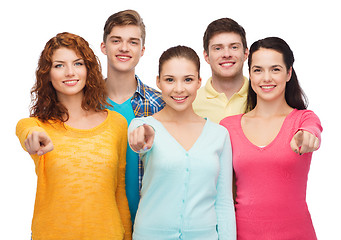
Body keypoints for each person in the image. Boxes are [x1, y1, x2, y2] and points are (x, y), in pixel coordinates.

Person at [16, 32, 131, 240]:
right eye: (59, 65)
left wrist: (128, 235)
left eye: (77, 63)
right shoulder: (37, 126)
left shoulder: (116, 124)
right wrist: (33, 137)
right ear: (48, 74)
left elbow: (119, 191)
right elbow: (25, 130)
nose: (70, 72)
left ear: (88, 69)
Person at [128, 46, 236, 239]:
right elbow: (139, 139)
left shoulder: (219, 135)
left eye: (188, 79)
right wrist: (143, 136)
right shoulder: (142, 125)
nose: (179, 89)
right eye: (170, 80)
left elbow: (224, 202)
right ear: (158, 82)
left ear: (198, 83)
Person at [220, 37, 322, 239]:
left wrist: (307, 137)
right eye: (258, 70)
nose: (266, 78)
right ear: (249, 74)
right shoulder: (228, 126)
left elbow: (313, 131)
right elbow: (222, 194)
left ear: (288, 73)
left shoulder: (303, 119)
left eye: (275, 69)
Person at [100, 9, 165, 223]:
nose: (124, 48)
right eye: (116, 40)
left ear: (142, 50)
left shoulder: (160, 104)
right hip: (99, 224)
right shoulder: (85, 104)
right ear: (103, 47)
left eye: (133, 42)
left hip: (150, 224)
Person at [192, 18, 249, 123]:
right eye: (218, 48)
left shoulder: (261, 97)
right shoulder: (191, 102)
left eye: (234, 47)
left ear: (245, 53)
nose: (226, 54)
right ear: (206, 56)